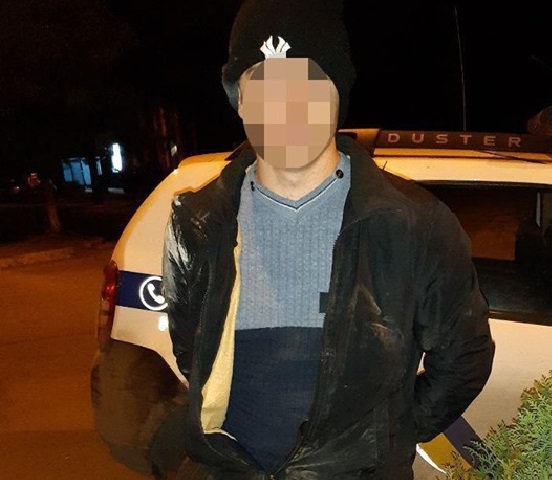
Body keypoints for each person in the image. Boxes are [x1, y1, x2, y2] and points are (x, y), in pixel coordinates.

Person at [161, 0, 495, 478]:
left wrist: (390, 436)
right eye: (264, 86)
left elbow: (464, 358)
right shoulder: (196, 224)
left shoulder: (414, 224)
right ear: (240, 101)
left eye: (308, 85)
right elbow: (193, 354)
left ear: (338, 96)